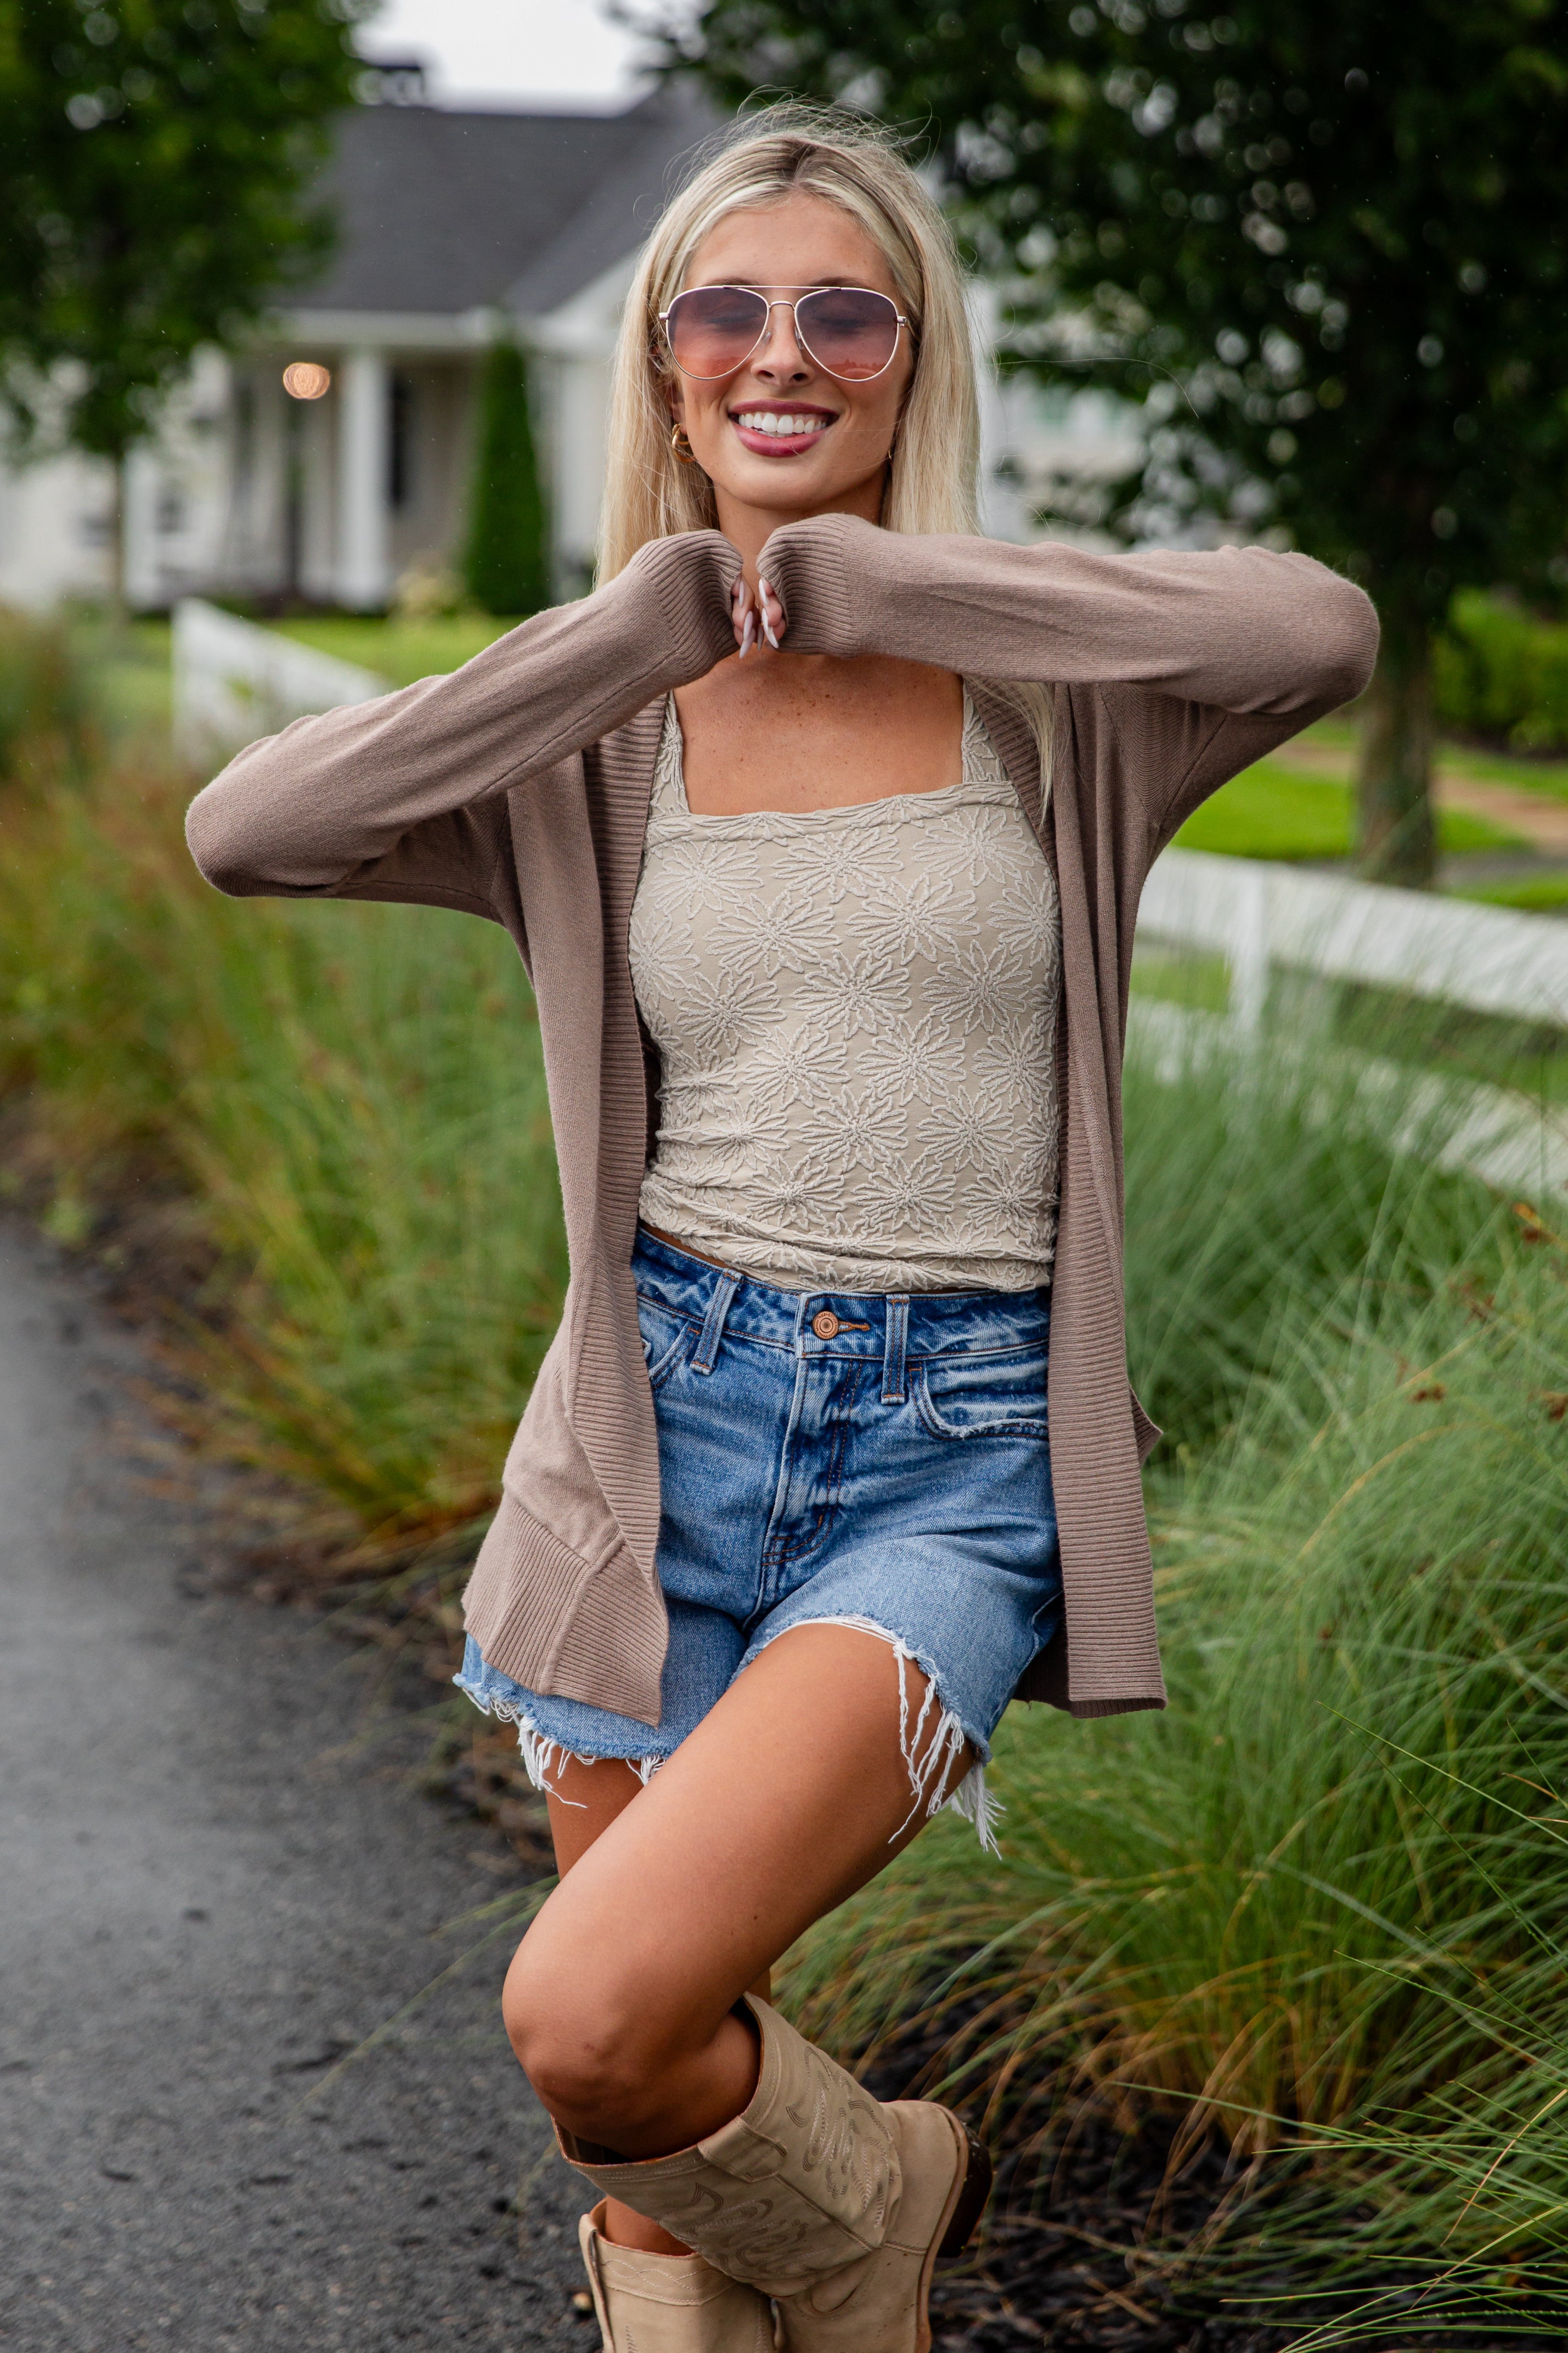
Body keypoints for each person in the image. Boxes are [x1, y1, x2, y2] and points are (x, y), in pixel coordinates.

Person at [186, 105, 1377, 2353]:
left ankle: (870, 2208)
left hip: (952, 1453)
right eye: (723, 308)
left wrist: (873, 583)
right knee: (643, 2168)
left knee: (597, 2012)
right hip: (653, 1444)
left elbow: (1314, 627)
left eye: (844, 310)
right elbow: (252, 822)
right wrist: (632, 632)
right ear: (656, 361)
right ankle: (863, 2230)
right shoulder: (598, 736)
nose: (782, 352)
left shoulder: (1047, 701)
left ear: (912, 360)